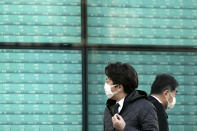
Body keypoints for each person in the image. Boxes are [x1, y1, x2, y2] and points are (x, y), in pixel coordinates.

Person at [104, 62, 159, 131]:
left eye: (108, 81)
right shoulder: (109, 108)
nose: (105, 85)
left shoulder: (145, 107)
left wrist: (124, 128)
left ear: (119, 87)